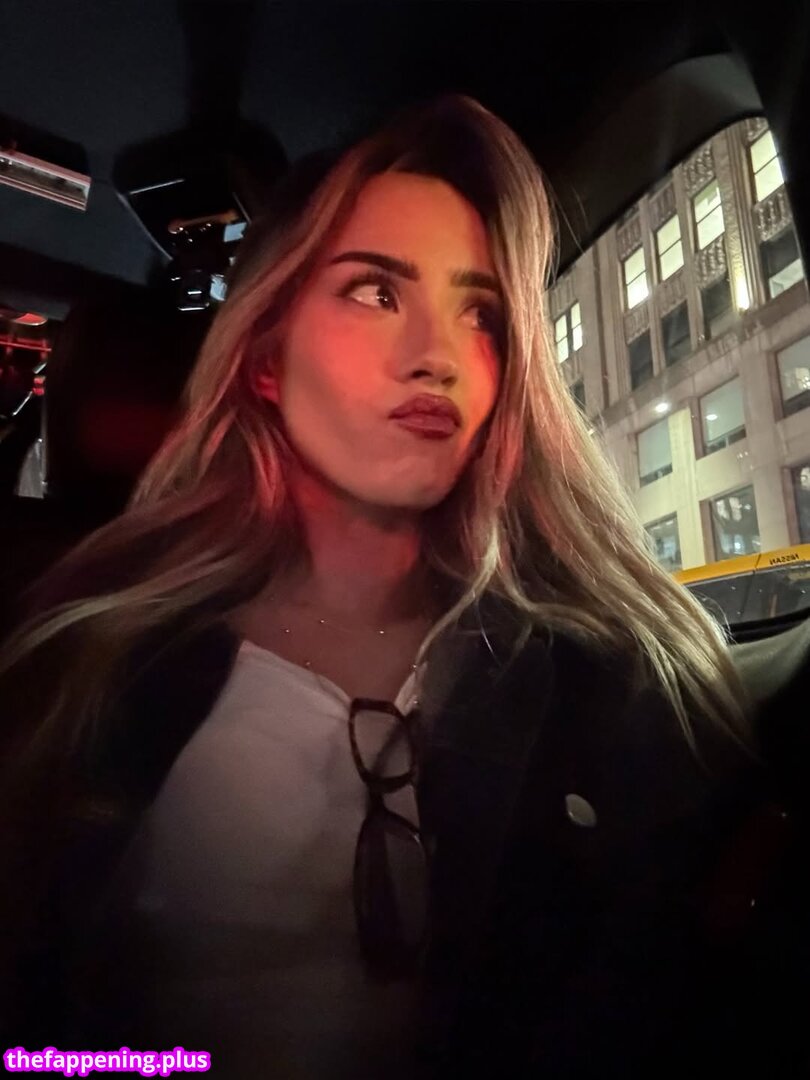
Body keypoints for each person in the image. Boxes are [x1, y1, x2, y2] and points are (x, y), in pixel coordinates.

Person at [0, 94, 800, 1079]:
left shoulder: (612, 680)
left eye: (481, 313)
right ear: (265, 356)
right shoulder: (82, 657)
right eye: (376, 292)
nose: (438, 358)